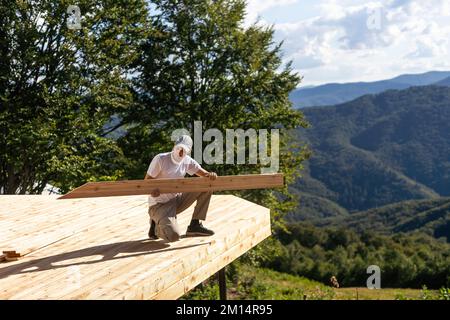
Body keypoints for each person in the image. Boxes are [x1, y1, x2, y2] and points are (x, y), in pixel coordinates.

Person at [144, 135, 217, 242]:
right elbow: (146, 182)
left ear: (189, 151)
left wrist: (211, 175)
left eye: (184, 150)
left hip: (177, 201)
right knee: (174, 236)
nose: (181, 153)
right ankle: (156, 226)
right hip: (159, 205)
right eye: (179, 148)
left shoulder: (187, 161)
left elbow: (205, 175)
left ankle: (194, 225)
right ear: (174, 146)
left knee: (206, 186)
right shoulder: (161, 159)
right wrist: (152, 189)